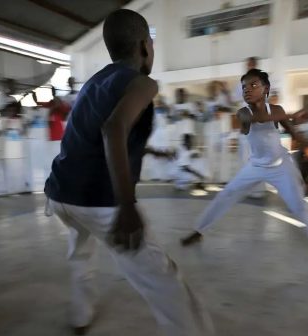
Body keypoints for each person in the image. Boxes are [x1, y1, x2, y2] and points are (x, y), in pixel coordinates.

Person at [44, 9, 213, 336]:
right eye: (151, 43)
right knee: (162, 279)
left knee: (80, 255)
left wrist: (145, 150)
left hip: (61, 193)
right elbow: (114, 129)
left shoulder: (95, 82)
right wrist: (126, 206)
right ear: (144, 47)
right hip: (99, 199)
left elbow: (95, 134)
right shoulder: (143, 83)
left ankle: (80, 317)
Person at [180, 69, 308, 274]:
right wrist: (291, 115)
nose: (247, 89)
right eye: (245, 86)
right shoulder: (243, 112)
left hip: (281, 166)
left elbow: (294, 134)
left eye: (253, 85)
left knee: (300, 206)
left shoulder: (277, 110)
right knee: (226, 195)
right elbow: (260, 118)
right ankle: (198, 231)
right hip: (255, 167)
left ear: (266, 89)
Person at [231, 57, 266, 198]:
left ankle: (257, 190)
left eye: (252, 65)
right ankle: (245, 189)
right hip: (245, 124)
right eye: (248, 65)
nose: (250, 67)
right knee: (244, 157)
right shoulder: (241, 84)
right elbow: (234, 101)